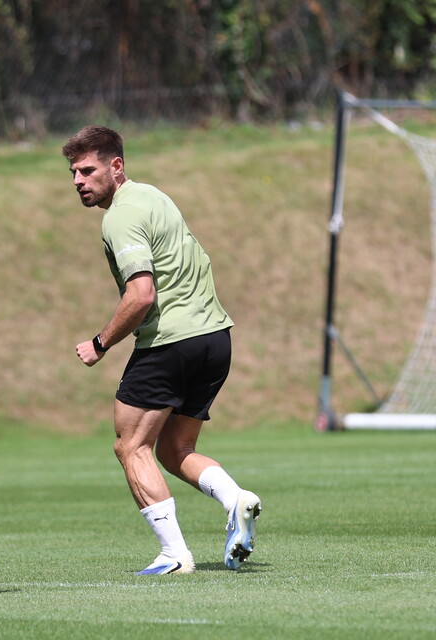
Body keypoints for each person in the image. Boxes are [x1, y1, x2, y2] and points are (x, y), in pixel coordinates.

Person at [62, 125, 261, 575]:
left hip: (171, 343)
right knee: (176, 450)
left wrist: (100, 344)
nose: (78, 180)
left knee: (131, 446)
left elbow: (142, 294)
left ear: (116, 166)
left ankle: (174, 554)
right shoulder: (155, 196)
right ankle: (237, 500)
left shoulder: (119, 217)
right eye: (73, 172)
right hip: (215, 339)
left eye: (87, 170)